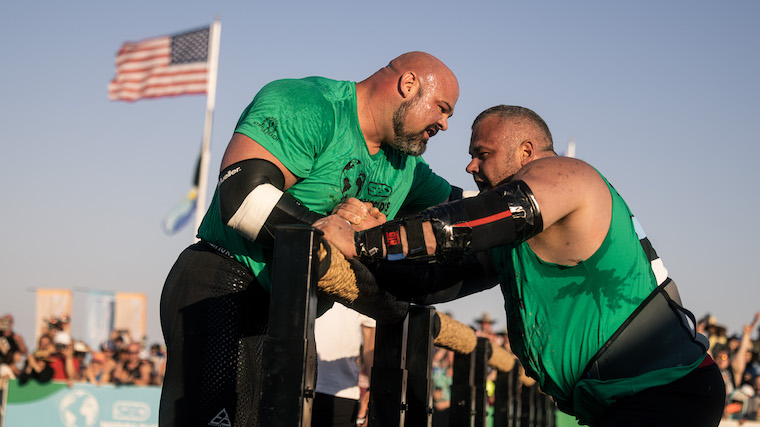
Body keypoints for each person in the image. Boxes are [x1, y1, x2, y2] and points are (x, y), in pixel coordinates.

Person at [316, 105, 725, 426]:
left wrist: (365, 239)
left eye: (482, 154)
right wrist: (369, 245)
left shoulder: (564, 174)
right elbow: (428, 283)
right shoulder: (511, 238)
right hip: (625, 398)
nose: (470, 167)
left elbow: (470, 221)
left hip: (665, 389)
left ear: (526, 151)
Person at [159, 51, 459, 427]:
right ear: (408, 84)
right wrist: (341, 234)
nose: (445, 124)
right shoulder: (309, 104)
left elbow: (467, 216)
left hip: (295, 312)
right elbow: (242, 198)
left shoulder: (408, 166)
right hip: (228, 283)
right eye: (442, 108)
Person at [312, 303, 375, 427]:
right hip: (291, 386)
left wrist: (372, 394)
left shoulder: (364, 288)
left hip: (341, 395)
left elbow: (370, 347)